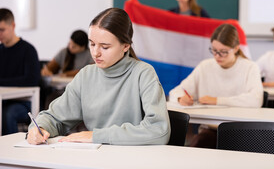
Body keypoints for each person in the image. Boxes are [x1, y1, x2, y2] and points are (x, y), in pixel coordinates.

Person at [27, 8, 170, 145]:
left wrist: (97, 136)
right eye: (92, 44)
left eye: (105, 47)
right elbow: (54, 117)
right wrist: (39, 128)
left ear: (125, 46)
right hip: (93, 158)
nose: (95, 53)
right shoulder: (86, 75)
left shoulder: (143, 73)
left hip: (131, 159)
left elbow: (158, 130)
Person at [169, 23, 263, 148]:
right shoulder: (205, 66)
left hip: (241, 130)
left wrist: (217, 100)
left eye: (223, 52)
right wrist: (181, 98)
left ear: (236, 48)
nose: (217, 56)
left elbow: (256, 100)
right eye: (214, 50)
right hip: (211, 130)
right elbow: (175, 92)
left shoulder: (250, 67)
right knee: (197, 146)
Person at [0, 8, 40, 135]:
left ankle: (9, 152)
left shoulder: (28, 50)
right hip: (3, 100)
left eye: (2, 30)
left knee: (8, 113)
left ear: (13, 26)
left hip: (25, 102)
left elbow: (31, 80)